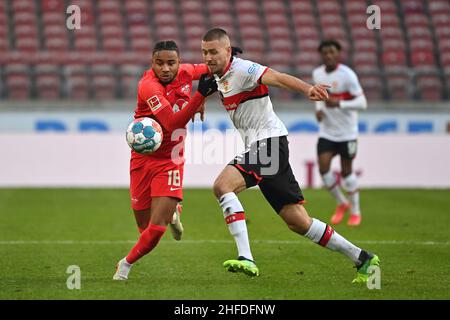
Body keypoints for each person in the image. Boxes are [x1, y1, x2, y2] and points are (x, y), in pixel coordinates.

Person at [201, 28, 379, 283]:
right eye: (204, 52)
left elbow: (278, 77)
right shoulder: (216, 76)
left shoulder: (243, 70)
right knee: (297, 221)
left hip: (270, 143)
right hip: (267, 146)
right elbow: (200, 80)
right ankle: (363, 259)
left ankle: (246, 258)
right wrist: (199, 101)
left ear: (227, 51)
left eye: (214, 52)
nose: (208, 57)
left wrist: (308, 89)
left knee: (222, 186)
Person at [113, 40, 217, 280]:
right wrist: (200, 95)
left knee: (157, 229)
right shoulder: (148, 86)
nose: (166, 68)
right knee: (145, 228)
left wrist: (228, 55)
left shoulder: (187, 72)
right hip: (142, 158)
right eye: (159, 63)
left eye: (171, 63)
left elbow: (214, 68)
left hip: (171, 158)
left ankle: (125, 264)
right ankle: (174, 211)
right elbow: (171, 123)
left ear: (179, 63)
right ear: (152, 63)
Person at [313, 40, 368, 226]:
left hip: (347, 133)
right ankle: (341, 203)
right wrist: (319, 108)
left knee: (346, 172)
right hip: (327, 132)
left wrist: (340, 104)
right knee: (323, 168)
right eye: (325, 52)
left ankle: (356, 211)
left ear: (338, 54)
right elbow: (318, 96)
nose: (328, 55)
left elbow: (363, 103)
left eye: (332, 52)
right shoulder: (317, 73)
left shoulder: (348, 75)